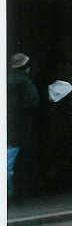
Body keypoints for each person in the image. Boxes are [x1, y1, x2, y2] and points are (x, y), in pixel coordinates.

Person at [7, 53, 39, 200]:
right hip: (18, 127)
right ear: (26, 68)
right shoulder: (25, 83)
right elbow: (34, 103)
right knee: (10, 162)